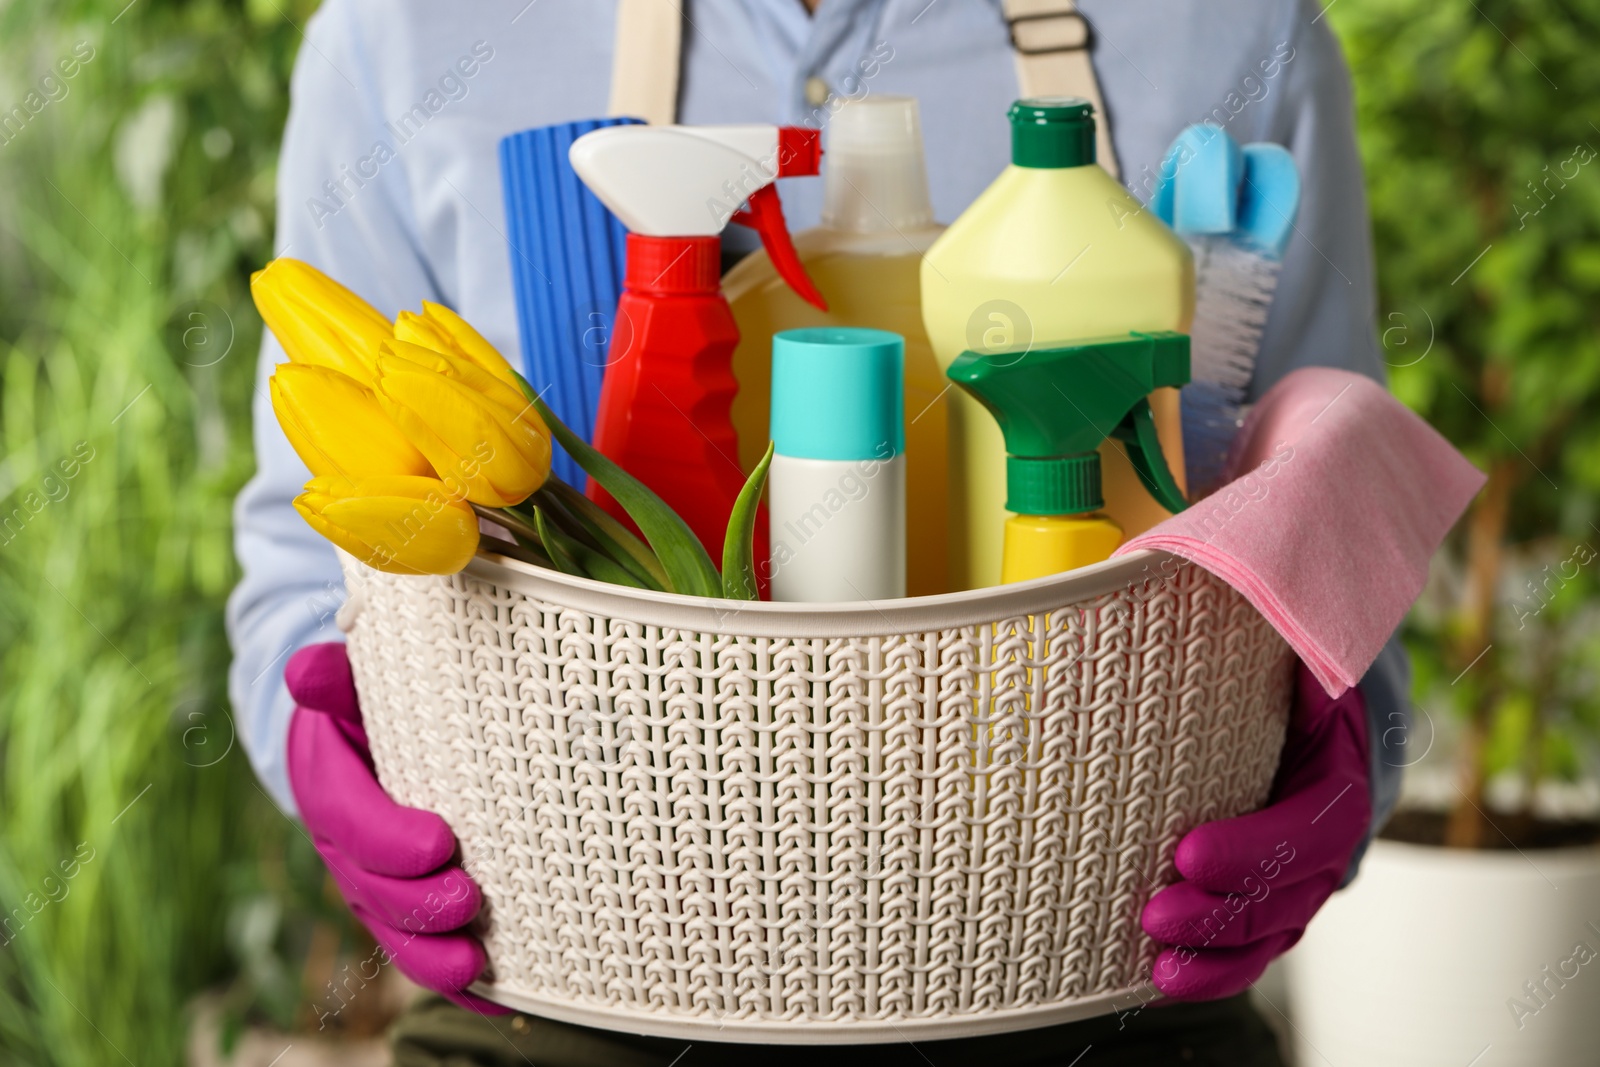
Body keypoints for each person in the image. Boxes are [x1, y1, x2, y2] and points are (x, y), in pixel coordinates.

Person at [228, 1, 1409, 1063]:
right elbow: (305, 558)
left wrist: (1346, 742)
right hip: (561, 994)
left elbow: (1348, 538)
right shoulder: (405, 38)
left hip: (1100, 970)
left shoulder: (1231, 33)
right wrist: (311, 738)